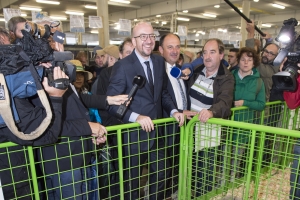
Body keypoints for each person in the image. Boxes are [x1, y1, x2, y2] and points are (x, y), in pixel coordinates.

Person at [106, 22, 184, 200]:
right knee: (132, 184)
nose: (148, 41)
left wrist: (173, 111)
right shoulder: (123, 66)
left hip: (157, 133)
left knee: (162, 173)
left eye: (151, 36)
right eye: (143, 36)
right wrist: (136, 117)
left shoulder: (158, 61)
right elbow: (111, 104)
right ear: (134, 41)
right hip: (133, 135)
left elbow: (162, 93)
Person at [0, 26, 68, 200]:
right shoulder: (6, 94)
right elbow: (46, 135)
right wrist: (56, 97)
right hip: (13, 184)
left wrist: (35, 69)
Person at [185, 38, 234, 197]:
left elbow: (225, 102)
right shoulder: (197, 71)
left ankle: (203, 195)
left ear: (221, 55)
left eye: (212, 52)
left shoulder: (226, 78)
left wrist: (212, 111)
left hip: (209, 131)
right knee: (189, 166)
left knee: (206, 169)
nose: (207, 56)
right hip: (189, 128)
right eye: (205, 52)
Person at [158, 33, 197, 198]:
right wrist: (179, 112)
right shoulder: (159, 72)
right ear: (160, 50)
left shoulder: (179, 71)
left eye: (177, 46)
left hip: (182, 125)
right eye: (170, 47)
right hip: (168, 124)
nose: (175, 51)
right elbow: (162, 96)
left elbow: (198, 64)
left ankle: (176, 193)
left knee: (177, 163)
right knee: (164, 167)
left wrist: (191, 67)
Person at [230, 47, 265, 181]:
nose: (246, 62)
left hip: (244, 126)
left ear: (254, 63)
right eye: (243, 59)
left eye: (249, 60)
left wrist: (245, 102)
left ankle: (232, 185)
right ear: (238, 61)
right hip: (226, 124)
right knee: (223, 157)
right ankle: (221, 185)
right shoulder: (230, 77)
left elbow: (261, 105)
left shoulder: (258, 82)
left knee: (237, 159)